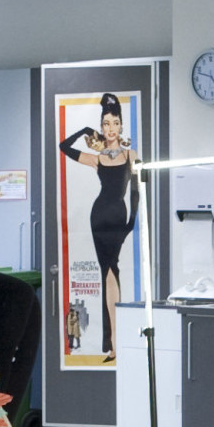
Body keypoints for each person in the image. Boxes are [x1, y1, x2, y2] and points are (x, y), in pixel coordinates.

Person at [60, 90, 138, 359]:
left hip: (118, 215)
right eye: (106, 123)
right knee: (107, 274)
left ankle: (114, 343)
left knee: (112, 273)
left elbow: (136, 192)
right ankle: (113, 344)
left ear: (121, 125)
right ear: (101, 127)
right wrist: (83, 129)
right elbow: (64, 147)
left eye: (115, 123)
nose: (111, 128)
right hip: (99, 217)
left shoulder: (131, 155)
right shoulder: (97, 157)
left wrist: (131, 223)